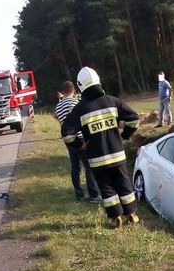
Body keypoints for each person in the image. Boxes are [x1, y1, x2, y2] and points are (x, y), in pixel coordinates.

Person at [62, 67, 140, 227]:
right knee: (124, 183)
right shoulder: (113, 101)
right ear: (98, 80)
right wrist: (124, 136)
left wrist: (80, 145)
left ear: (80, 86)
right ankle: (131, 214)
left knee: (107, 188)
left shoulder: (80, 109)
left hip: (97, 158)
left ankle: (115, 217)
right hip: (117, 154)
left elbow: (67, 134)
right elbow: (134, 119)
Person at [55, 81, 101, 203]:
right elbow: (79, 122)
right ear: (74, 90)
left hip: (68, 139)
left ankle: (79, 194)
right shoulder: (75, 102)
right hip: (80, 138)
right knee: (89, 166)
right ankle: (94, 195)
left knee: (75, 167)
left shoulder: (58, 106)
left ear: (63, 91)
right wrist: (84, 140)